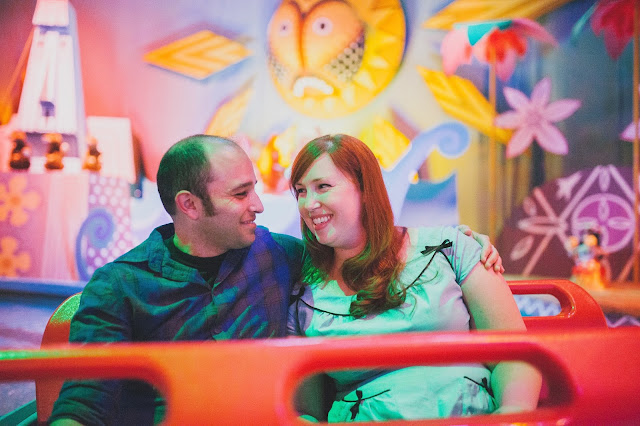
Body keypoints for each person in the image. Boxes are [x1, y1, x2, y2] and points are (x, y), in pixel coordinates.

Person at [49, 134, 502, 425]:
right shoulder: (119, 285)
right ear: (189, 205)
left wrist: (463, 242)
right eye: (241, 193)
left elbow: (363, 249)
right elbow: (85, 399)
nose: (260, 206)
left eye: (256, 189)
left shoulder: (277, 256)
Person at [288, 134, 542, 422]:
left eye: (322, 187)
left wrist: (512, 415)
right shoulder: (303, 293)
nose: (308, 204)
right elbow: (307, 411)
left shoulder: (450, 248)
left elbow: (515, 354)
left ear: (365, 188)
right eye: (301, 191)